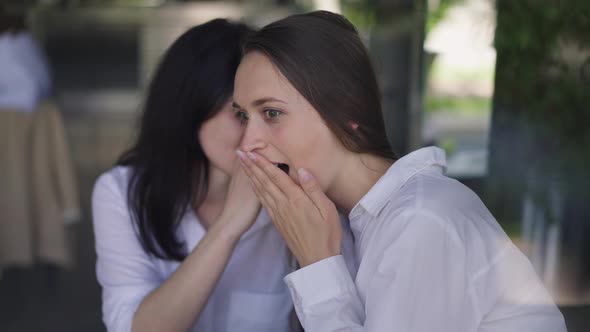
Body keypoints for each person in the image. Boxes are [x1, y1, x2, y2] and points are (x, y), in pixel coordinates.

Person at [233, 11, 568, 332]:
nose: (247, 143)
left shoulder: (422, 219)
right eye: (243, 116)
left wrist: (318, 266)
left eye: (272, 113)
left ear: (347, 110)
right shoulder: (342, 221)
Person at [92, 19, 303, 332]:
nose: (260, 134)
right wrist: (229, 226)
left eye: (271, 113)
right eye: (241, 114)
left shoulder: (298, 194)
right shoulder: (120, 193)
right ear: (190, 109)